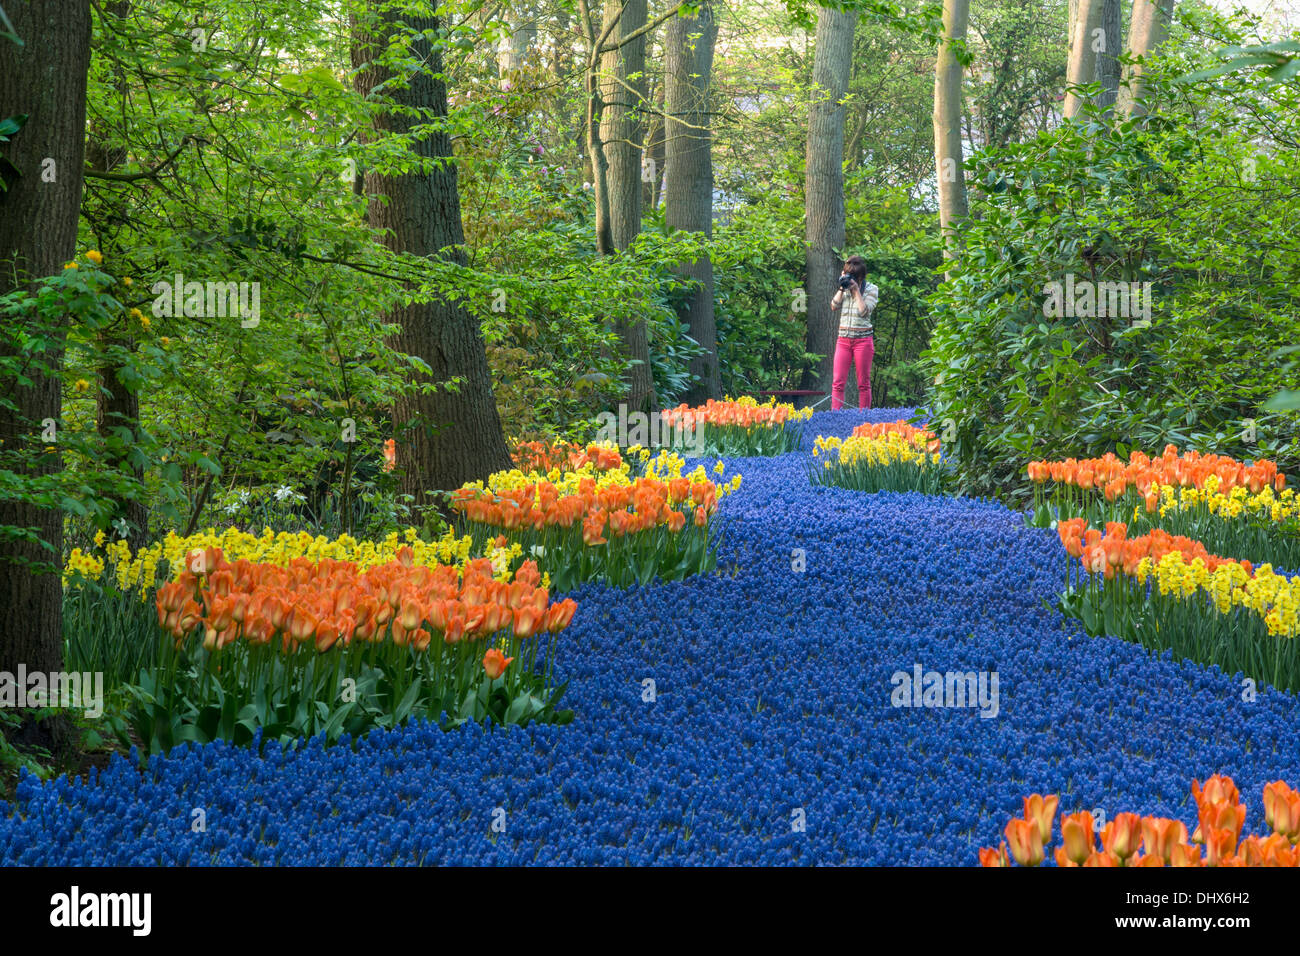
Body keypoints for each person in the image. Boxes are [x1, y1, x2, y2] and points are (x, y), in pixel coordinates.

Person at [829, 255, 879, 410]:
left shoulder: (872, 289)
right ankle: (835, 417)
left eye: (854, 277)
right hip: (843, 340)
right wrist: (841, 287)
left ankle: (864, 418)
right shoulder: (844, 288)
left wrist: (857, 291)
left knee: (863, 383)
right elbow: (833, 306)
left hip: (863, 341)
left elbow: (864, 311)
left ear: (862, 276)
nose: (851, 280)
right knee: (838, 382)